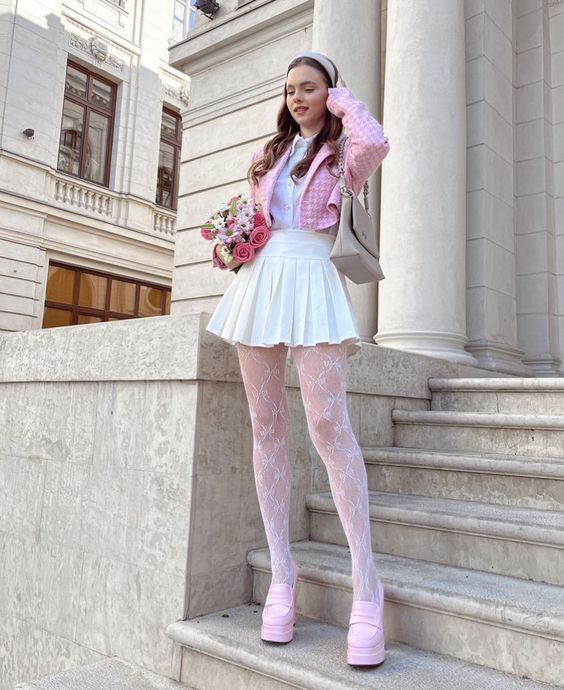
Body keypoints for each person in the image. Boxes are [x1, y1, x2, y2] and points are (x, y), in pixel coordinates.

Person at [206, 50, 390, 667]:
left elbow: (377, 141)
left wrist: (340, 99)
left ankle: (368, 584)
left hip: (314, 277)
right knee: (266, 427)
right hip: (261, 281)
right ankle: (282, 575)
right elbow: (250, 218)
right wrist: (234, 243)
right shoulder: (267, 155)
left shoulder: (343, 155)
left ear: (329, 91)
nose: (296, 97)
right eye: (290, 89)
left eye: (308, 88)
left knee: (327, 424)